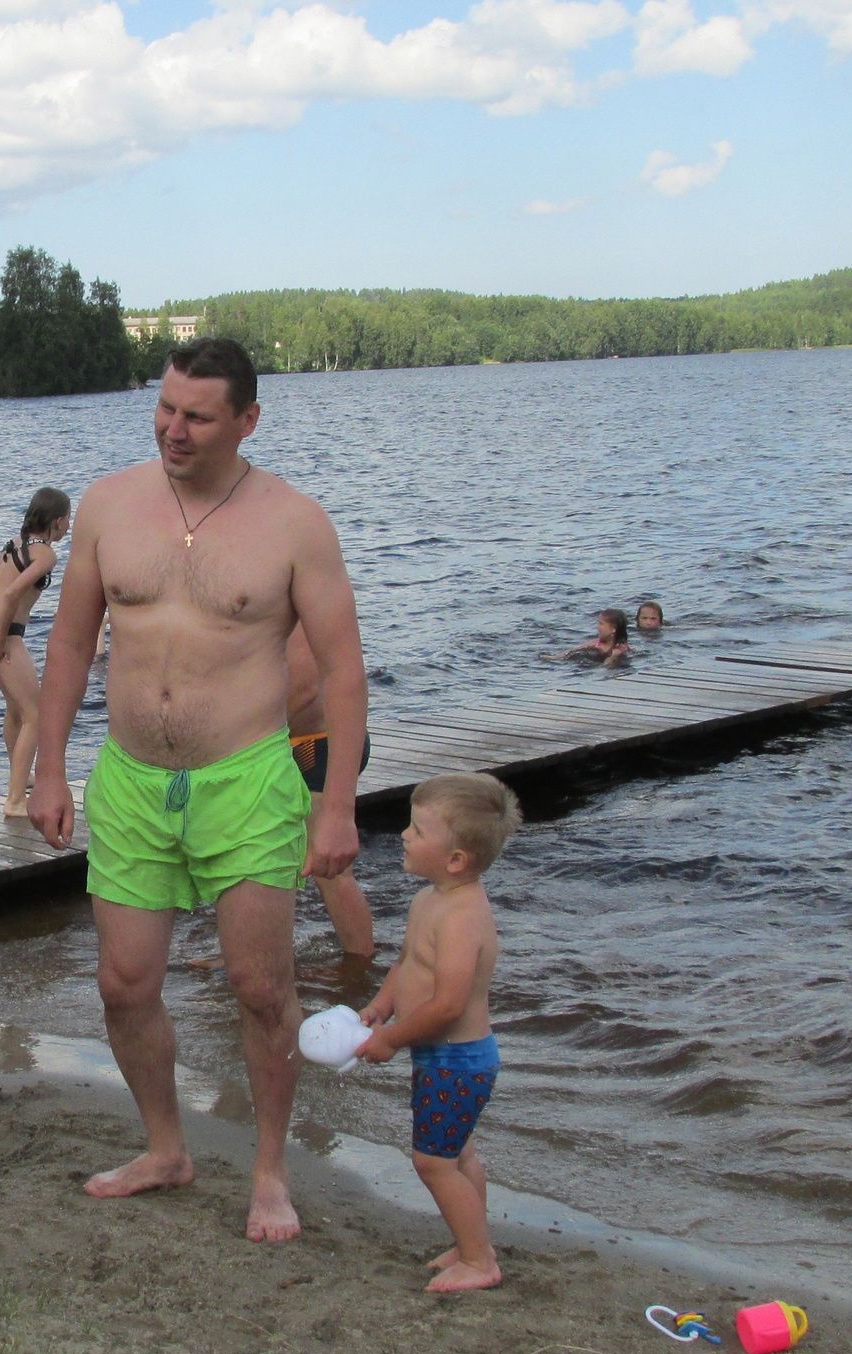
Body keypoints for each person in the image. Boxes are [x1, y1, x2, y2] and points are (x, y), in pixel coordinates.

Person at [28, 337, 366, 1245]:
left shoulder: (295, 523)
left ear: (247, 420)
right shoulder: (108, 506)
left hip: (248, 780)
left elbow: (343, 673)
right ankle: (166, 1149)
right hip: (132, 779)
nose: (174, 429)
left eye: (198, 415)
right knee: (124, 979)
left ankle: (267, 1171)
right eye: (166, 408)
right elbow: (66, 645)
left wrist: (335, 805)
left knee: (262, 989)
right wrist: (48, 766)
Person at [352, 771, 520, 1294]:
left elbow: (448, 1004)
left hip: (459, 1059)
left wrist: (392, 1038)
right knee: (458, 1153)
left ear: (456, 860)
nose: (404, 835)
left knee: (433, 1160)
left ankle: (479, 1261)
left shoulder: (463, 916)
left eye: (417, 830)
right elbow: (409, 963)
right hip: (441, 1057)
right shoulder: (431, 900)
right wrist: (383, 1003)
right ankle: (472, 1243)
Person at [0, 486, 72, 817]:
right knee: (36, 714)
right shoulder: (45, 554)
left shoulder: (15, 543)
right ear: (58, 521)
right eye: (68, 520)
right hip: (4, 633)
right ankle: (15, 801)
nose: (68, 527)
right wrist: (3, 637)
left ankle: (21, 778)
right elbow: (11, 594)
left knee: (16, 709)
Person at [286, 625, 375, 967]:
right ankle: (249, 950)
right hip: (297, 741)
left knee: (329, 868)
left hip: (313, 744)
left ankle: (361, 963)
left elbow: (305, 688)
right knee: (258, 853)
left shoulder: (290, 589)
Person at [556, 608, 632, 666]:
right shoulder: (596, 643)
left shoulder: (620, 648)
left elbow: (607, 666)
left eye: (601, 624)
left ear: (613, 629)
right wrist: (556, 658)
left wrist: (613, 657)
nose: (597, 627)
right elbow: (573, 650)